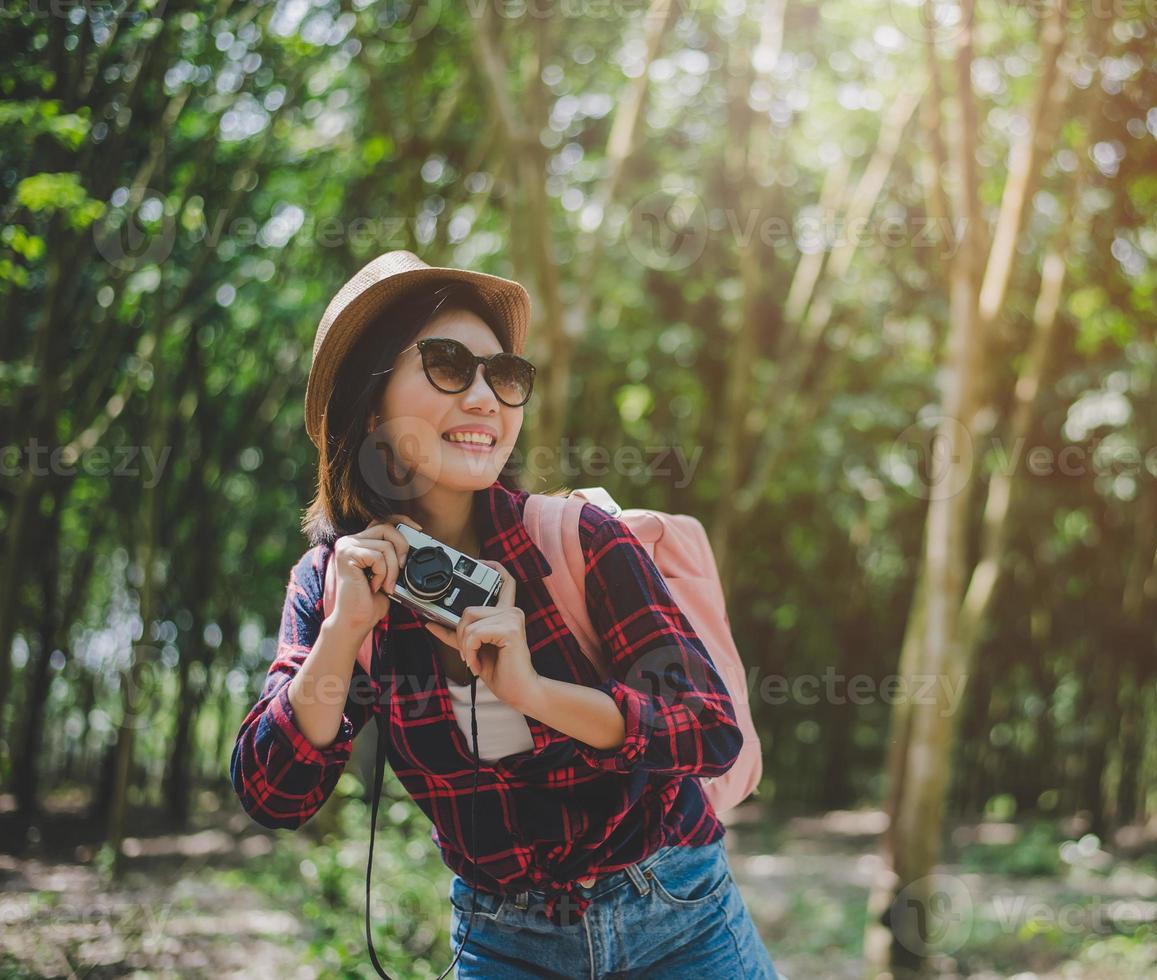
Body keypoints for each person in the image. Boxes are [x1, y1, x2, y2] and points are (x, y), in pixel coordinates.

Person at [230, 250, 781, 978]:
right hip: (503, 942)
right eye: (449, 365)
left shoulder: (579, 540)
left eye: (506, 376)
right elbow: (274, 792)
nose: (487, 398)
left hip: (679, 916)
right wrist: (342, 637)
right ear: (369, 400)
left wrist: (537, 694)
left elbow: (710, 730)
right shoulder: (334, 583)